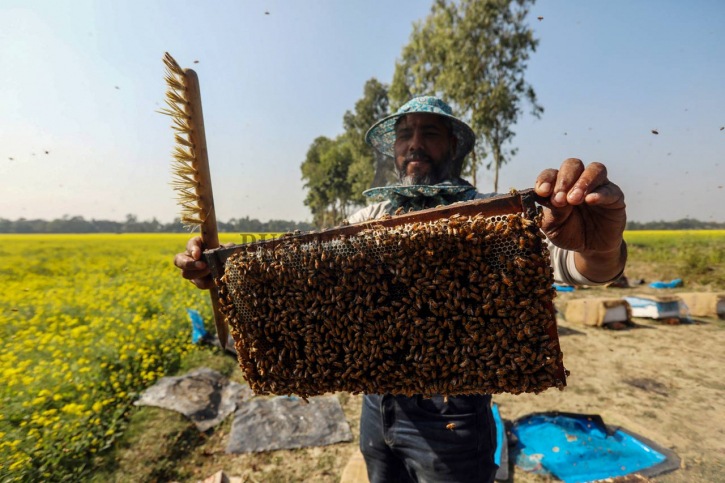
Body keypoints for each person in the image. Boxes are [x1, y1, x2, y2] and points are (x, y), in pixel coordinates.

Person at [173, 96, 627, 483]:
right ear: (393, 150)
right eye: (405, 134)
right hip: (376, 406)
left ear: (453, 147)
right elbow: (303, 282)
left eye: (429, 133)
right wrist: (226, 274)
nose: (415, 144)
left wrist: (600, 248)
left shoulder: (488, 219)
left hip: (454, 415)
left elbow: (576, 264)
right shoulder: (368, 218)